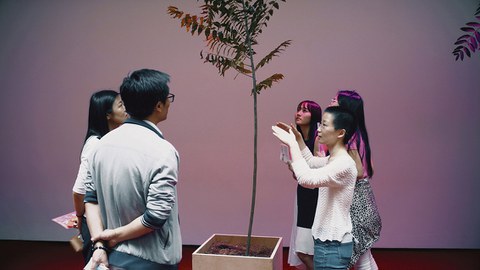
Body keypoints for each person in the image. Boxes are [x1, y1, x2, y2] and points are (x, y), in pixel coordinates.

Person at [84, 69, 182, 270]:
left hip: (113, 258)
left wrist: (100, 245)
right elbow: (155, 216)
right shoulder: (163, 151)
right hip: (153, 261)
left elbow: (91, 199)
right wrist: (114, 235)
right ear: (158, 105)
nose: (170, 103)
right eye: (168, 98)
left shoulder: (101, 145)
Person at [273, 106, 357, 270]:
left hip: (333, 245)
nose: (319, 129)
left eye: (325, 125)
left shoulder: (343, 164)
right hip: (328, 243)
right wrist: (298, 140)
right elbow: (311, 162)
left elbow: (306, 179)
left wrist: (293, 145)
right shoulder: (333, 159)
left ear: (340, 133)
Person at [72, 90, 128, 264]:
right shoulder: (95, 144)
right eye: (120, 105)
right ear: (108, 115)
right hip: (95, 225)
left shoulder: (108, 140)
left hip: (106, 223)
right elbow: (79, 190)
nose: (125, 109)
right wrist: (80, 217)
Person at [330, 90, 381, 270]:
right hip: (364, 195)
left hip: (355, 199)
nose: (332, 100)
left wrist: (332, 169)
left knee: (360, 256)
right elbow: (371, 168)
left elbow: (358, 171)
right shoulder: (359, 133)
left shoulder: (349, 136)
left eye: (336, 99)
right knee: (363, 254)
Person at [287, 100, 322, 270]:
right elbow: (299, 176)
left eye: (304, 110)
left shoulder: (318, 139)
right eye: (298, 109)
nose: (299, 113)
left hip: (316, 196)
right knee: (303, 250)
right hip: (304, 194)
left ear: (314, 116)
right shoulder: (297, 140)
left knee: (305, 251)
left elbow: (316, 172)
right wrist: (292, 165)